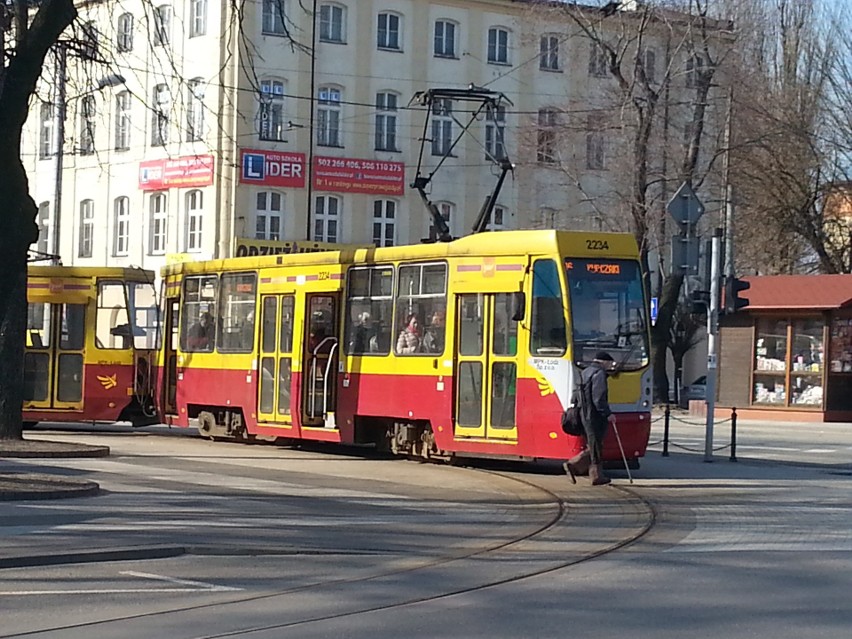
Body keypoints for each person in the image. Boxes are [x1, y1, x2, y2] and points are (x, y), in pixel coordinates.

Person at [564, 351, 617, 486]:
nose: (610, 366)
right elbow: (599, 398)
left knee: (593, 445)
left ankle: (595, 475)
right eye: (610, 363)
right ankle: (575, 465)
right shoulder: (599, 374)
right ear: (603, 362)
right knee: (596, 445)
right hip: (594, 415)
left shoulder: (585, 372)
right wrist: (607, 413)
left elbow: (574, 397)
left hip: (582, 414)